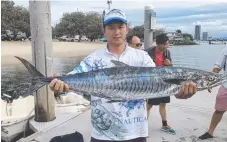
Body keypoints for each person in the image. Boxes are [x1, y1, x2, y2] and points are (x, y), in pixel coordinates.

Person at [49, 9, 197, 142]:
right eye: (111, 27)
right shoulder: (93, 58)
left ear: (127, 29)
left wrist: (179, 92)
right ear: (104, 30)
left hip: (135, 132)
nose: (116, 31)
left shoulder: (142, 57)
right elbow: (71, 78)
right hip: (102, 134)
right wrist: (60, 84)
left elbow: (157, 83)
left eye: (120, 27)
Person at [145, 34, 175, 135]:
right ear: (157, 43)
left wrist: (169, 65)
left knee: (163, 104)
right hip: (152, 83)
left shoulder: (167, 52)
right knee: (149, 105)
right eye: (164, 44)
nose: (166, 47)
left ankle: (164, 125)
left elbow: (171, 68)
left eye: (167, 44)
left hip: (165, 82)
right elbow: (142, 68)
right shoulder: (148, 52)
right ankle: (143, 128)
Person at [198, 47, 227, 140]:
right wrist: (209, 80)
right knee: (219, 110)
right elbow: (218, 66)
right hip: (226, 84)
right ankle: (210, 132)